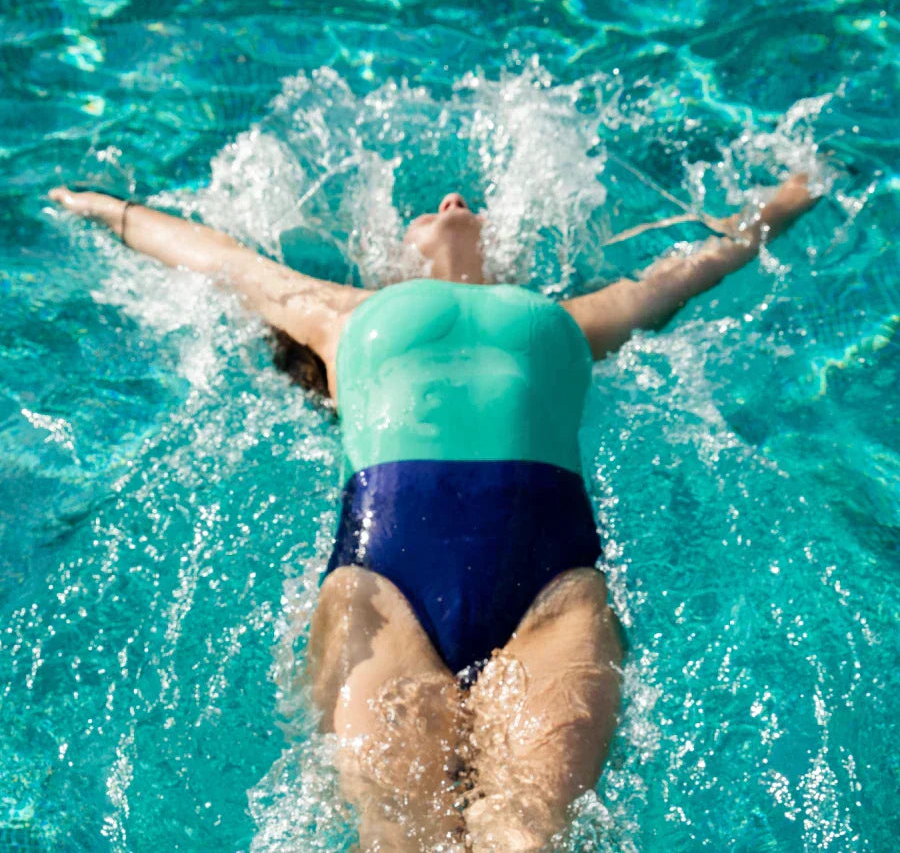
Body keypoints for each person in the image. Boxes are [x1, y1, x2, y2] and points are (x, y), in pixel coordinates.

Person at [50, 173, 817, 851]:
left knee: (529, 838)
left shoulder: (574, 321)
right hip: (380, 594)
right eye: (428, 209)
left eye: (460, 201)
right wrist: (108, 211)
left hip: (554, 597)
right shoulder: (341, 314)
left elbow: (693, 269)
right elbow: (217, 259)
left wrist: (791, 195)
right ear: (395, 260)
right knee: (397, 841)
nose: (453, 202)